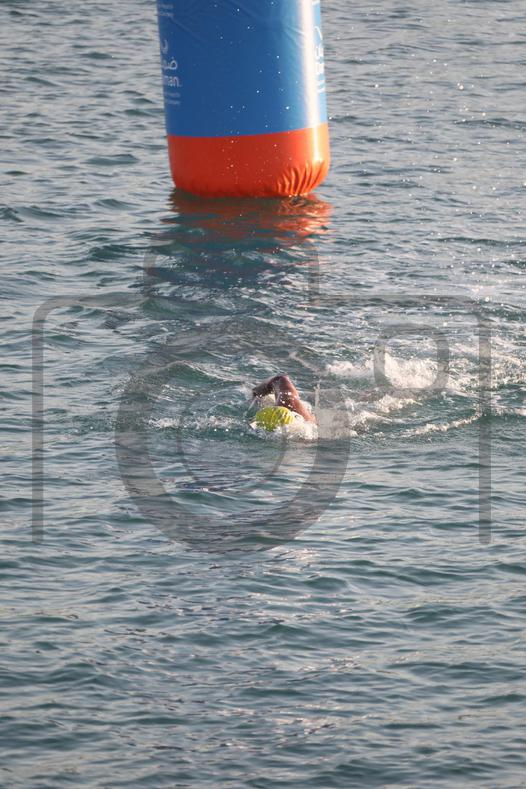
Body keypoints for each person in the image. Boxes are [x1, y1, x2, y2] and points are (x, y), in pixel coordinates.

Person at [251, 374, 316, 432]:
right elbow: (280, 379)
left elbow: (280, 379)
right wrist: (256, 394)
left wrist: (255, 394)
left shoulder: (308, 425)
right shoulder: (287, 401)